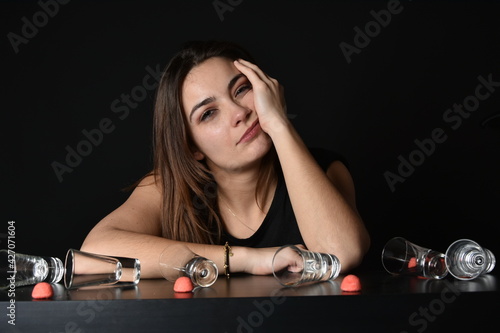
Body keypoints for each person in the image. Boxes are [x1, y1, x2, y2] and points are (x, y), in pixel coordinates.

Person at [81, 40, 370, 278]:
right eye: (208, 113)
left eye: (242, 89)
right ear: (191, 146)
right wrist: (246, 259)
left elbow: (342, 253)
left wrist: (280, 125)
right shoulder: (168, 187)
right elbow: (93, 254)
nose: (239, 113)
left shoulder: (325, 169)